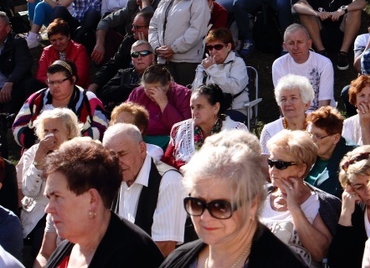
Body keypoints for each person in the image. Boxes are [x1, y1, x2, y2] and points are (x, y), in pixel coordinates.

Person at [160, 130, 305, 268]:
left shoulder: (283, 263)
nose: (204, 217)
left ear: (253, 204)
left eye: (220, 207)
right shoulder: (178, 260)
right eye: (197, 204)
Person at [42, 137, 164, 268]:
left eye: (58, 197)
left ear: (92, 199)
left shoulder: (135, 256)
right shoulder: (68, 247)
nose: (48, 209)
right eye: (49, 198)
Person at [102, 123, 186, 256]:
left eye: (122, 154)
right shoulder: (114, 178)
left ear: (142, 149)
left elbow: (164, 248)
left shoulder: (168, 180)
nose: (117, 162)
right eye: (112, 156)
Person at [261, 130, 341, 266]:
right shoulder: (257, 195)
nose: (273, 170)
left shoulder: (322, 203)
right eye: (271, 162)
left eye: (280, 164)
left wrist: (295, 208)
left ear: (301, 169)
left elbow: (320, 253)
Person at [17, 109, 79, 258]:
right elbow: (29, 190)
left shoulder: (77, 152)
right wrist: (39, 159)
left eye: (55, 130)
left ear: (68, 132)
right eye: (46, 130)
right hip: (38, 213)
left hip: (69, 210)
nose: (50, 135)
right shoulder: (33, 152)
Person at [13, 60, 108, 150]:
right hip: (38, 151)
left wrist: (75, 143)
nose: (55, 86)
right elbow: (18, 126)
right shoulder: (36, 98)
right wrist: (36, 143)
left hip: (79, 154)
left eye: (59, 82)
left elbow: (102, 127)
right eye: (51, 82)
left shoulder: (89, 99)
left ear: (73, 79)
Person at [293, 0, 366, 68]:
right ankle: (321, 52)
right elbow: (297, 5)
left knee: (355, 11)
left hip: (342, 34)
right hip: (320, 35)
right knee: (306, 13)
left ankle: (343, 54)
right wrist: (316, 13)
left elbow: (361, 2)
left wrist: (343, 10)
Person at [149, 0, 210, 85]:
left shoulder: (198, 0)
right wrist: (157, 48)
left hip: (187, 62)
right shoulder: (165, 0)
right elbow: (153, 26)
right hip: (164, 61)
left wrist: (174, 48)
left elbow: (196, 30)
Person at [163, 84, 247, 170]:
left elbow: (245, 165)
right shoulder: (180, 130)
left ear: (216, 108)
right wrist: (181, 166)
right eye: (192, 107)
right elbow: (166, 162)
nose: (194, 112)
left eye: (199, 107)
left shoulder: (236, 131)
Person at [328, 146, 370, 268]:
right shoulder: (355, 211)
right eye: (359, 187)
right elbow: (337, 263)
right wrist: (345, 214)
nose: (368, 192)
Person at [272, 24, 335, 111]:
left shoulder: (324, 63)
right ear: (285, 46)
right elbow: (282, 103)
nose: (295, 47)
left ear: (309, 44)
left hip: (319, 118)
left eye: (299, 42)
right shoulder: (278, 65)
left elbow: (323, 106)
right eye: (291, 43)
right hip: (291, 116)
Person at [192, 28, 249, 121]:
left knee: (212, 123)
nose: (213, 51)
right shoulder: (204, 65)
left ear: (228, 47)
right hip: (207, 110)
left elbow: (234, 88)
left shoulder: (237, 62)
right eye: (210, 47)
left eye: (218, 47)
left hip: (234, 109)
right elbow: (196, 90)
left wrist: (212, 69)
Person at [305, 106, 357, 198]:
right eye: (310, 134)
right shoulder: (304, 152)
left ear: (335, 138)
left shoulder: (352, 159)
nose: (312, 140)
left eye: (317, 136)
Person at [259, 74, 314, 153]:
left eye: (293, 98)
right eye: (283, 99)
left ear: (306, 104)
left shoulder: (317, 127)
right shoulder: (270, 130)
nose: (288, 103)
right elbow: (265, 162)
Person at [98, 39, 155, 109]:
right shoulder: (123, 73)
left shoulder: (159, 75)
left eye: (144, 53)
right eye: (135, 54)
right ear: (131, 59)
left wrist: (121, 92)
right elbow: (106, 92)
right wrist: (137, 87)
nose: (139, 58)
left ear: (152, 57)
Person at [36, 18, 91, 88]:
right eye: (53, 40)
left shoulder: (79, 50)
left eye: (61, 39)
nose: (58, 43)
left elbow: (80, 78)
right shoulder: (47, 51)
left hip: (75, 88)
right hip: (51, 88)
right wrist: (55, 84)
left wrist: (59, 85)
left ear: (68, 36)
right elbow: (40, 75)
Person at [0, 11, 31, 112]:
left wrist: (10, 81)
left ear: (7, 28)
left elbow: (23, 64)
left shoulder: (18, 42)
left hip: (11, 87)